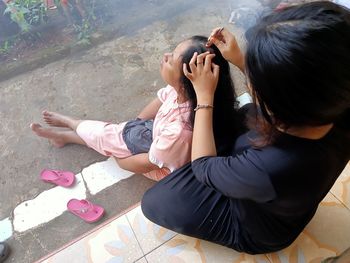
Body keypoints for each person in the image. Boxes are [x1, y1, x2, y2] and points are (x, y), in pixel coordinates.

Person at [141, 1, 350, 254]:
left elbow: (203, 166)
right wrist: (239, 59)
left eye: (257, 79)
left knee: (154, 202)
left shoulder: (272, 166)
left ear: (283, 104)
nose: (251, 85)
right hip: (282, 199)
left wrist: (204, 98)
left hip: (257, 231)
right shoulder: (335, 106)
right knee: (239, 119)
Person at [31, 36, 239, 181]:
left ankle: (72, 124)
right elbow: (160, 99)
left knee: (110, 136)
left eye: (171, 59)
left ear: (188, 81)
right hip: (161, 141)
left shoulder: (180, 132)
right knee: (122, 132)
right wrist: (138, 122)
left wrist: (121, 160)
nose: (165, 55)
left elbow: (148, 163)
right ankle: (67, 135)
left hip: (161, 166)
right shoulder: (192, 95)